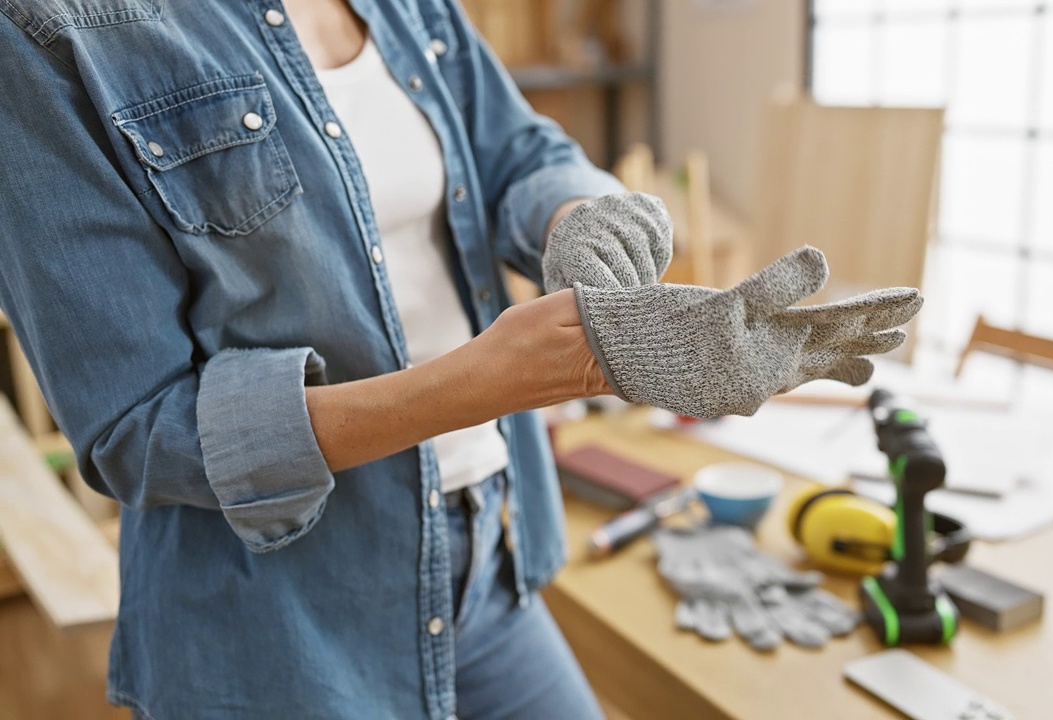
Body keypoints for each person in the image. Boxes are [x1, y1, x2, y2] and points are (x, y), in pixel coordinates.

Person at [0, 0, 918, 717]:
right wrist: (487, 381)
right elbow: (138, 431)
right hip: (282, 622)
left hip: (490, 550)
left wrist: (582, 222)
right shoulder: (49, 33)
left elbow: (517, 153)